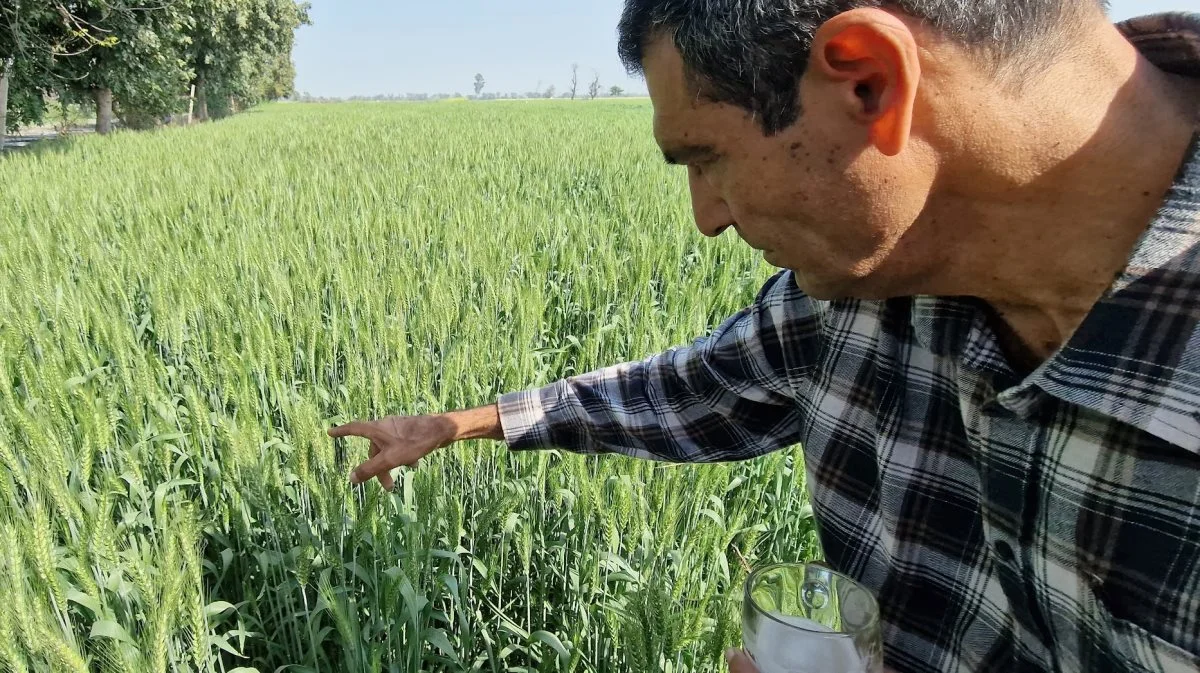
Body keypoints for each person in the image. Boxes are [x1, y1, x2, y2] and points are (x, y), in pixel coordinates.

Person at [328, 1, 1200, 671]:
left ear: (870, 81)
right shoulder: (866, 281)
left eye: (706, 156)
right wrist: (462, 423)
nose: (706, 218)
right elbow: (695, 388)